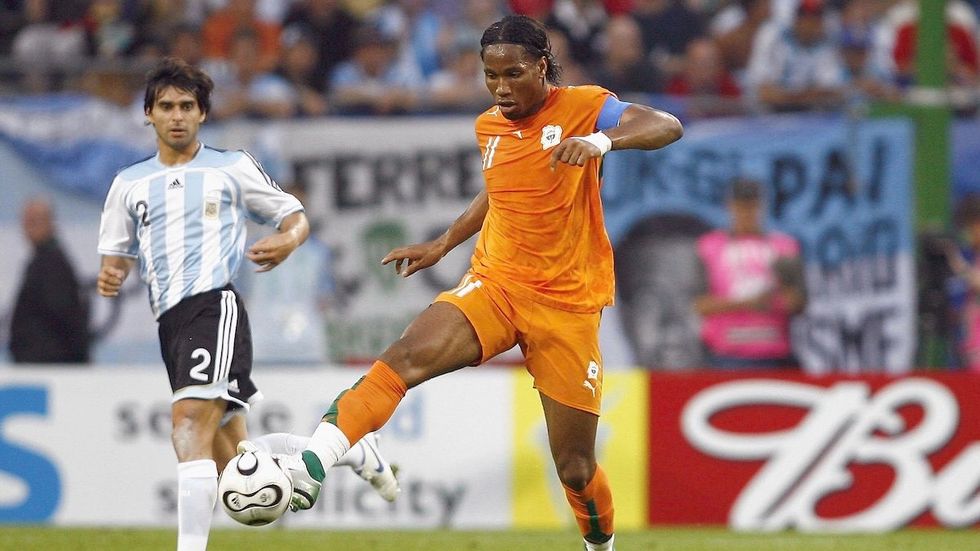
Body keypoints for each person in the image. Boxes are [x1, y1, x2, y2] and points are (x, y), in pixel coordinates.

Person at [261, 15, 684, 551]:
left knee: (575, 468)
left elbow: (668, 124)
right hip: (497, 284)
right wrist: (442, 243)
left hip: (567, 305)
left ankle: (600, 546)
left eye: (514, 74)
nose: (502, 88)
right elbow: (501, 190)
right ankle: (312, 464)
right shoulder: (489, 127)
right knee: (407, 355)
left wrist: (602, 142)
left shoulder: (585, 105)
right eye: (491, 76)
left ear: (543, 67)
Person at [96, 57, 398, 551]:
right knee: (232, 458)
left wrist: (290, 239)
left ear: (203, 114)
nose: (177, 115)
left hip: (214, 305)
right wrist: (112, 271)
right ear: (148, 113)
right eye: (166, 106)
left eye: (187, 106)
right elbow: (116, 251)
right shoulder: (128, 183)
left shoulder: (231, 167)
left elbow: (292, 214)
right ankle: (352, 451)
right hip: (170, 322)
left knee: (188, 424)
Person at [693, 178, 807, 369]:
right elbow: (699, 304)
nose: (746, 213)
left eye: (752, 206)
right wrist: (747, 303)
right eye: (741, 206)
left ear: (761, 206)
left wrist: (780, 291)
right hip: (726, 356)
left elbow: (799, 303)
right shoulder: (709, 246)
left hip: (775, 354)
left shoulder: (784, 247)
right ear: (730, 206)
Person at [9, 197, 89, 364]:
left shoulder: (53, 264)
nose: (29, 227)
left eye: (35, 221)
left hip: (50, 365)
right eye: (27, 221)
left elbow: (65, 316)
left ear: (51, 223)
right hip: (37, 363)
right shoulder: (41, 261)